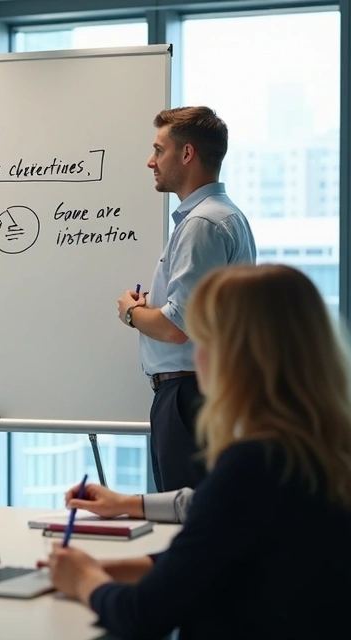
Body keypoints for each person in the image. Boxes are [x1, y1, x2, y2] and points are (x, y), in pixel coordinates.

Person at [49, 264, 351, 640]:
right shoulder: (318, 451)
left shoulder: (257, 464)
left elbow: (141, 615)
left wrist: (85, 580)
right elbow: (207, 553)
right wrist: (105, 567)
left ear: (242, 358)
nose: (197, 358)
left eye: (205, 342)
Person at [118, 106, 256, 493]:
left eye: (158, 150)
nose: (151, 161)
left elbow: (178, 326)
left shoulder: (201, 225)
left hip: (187, 401)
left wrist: (131, 312)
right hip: (201, 395)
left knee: (184, 527)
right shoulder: (227, 217)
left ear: (187, 154)